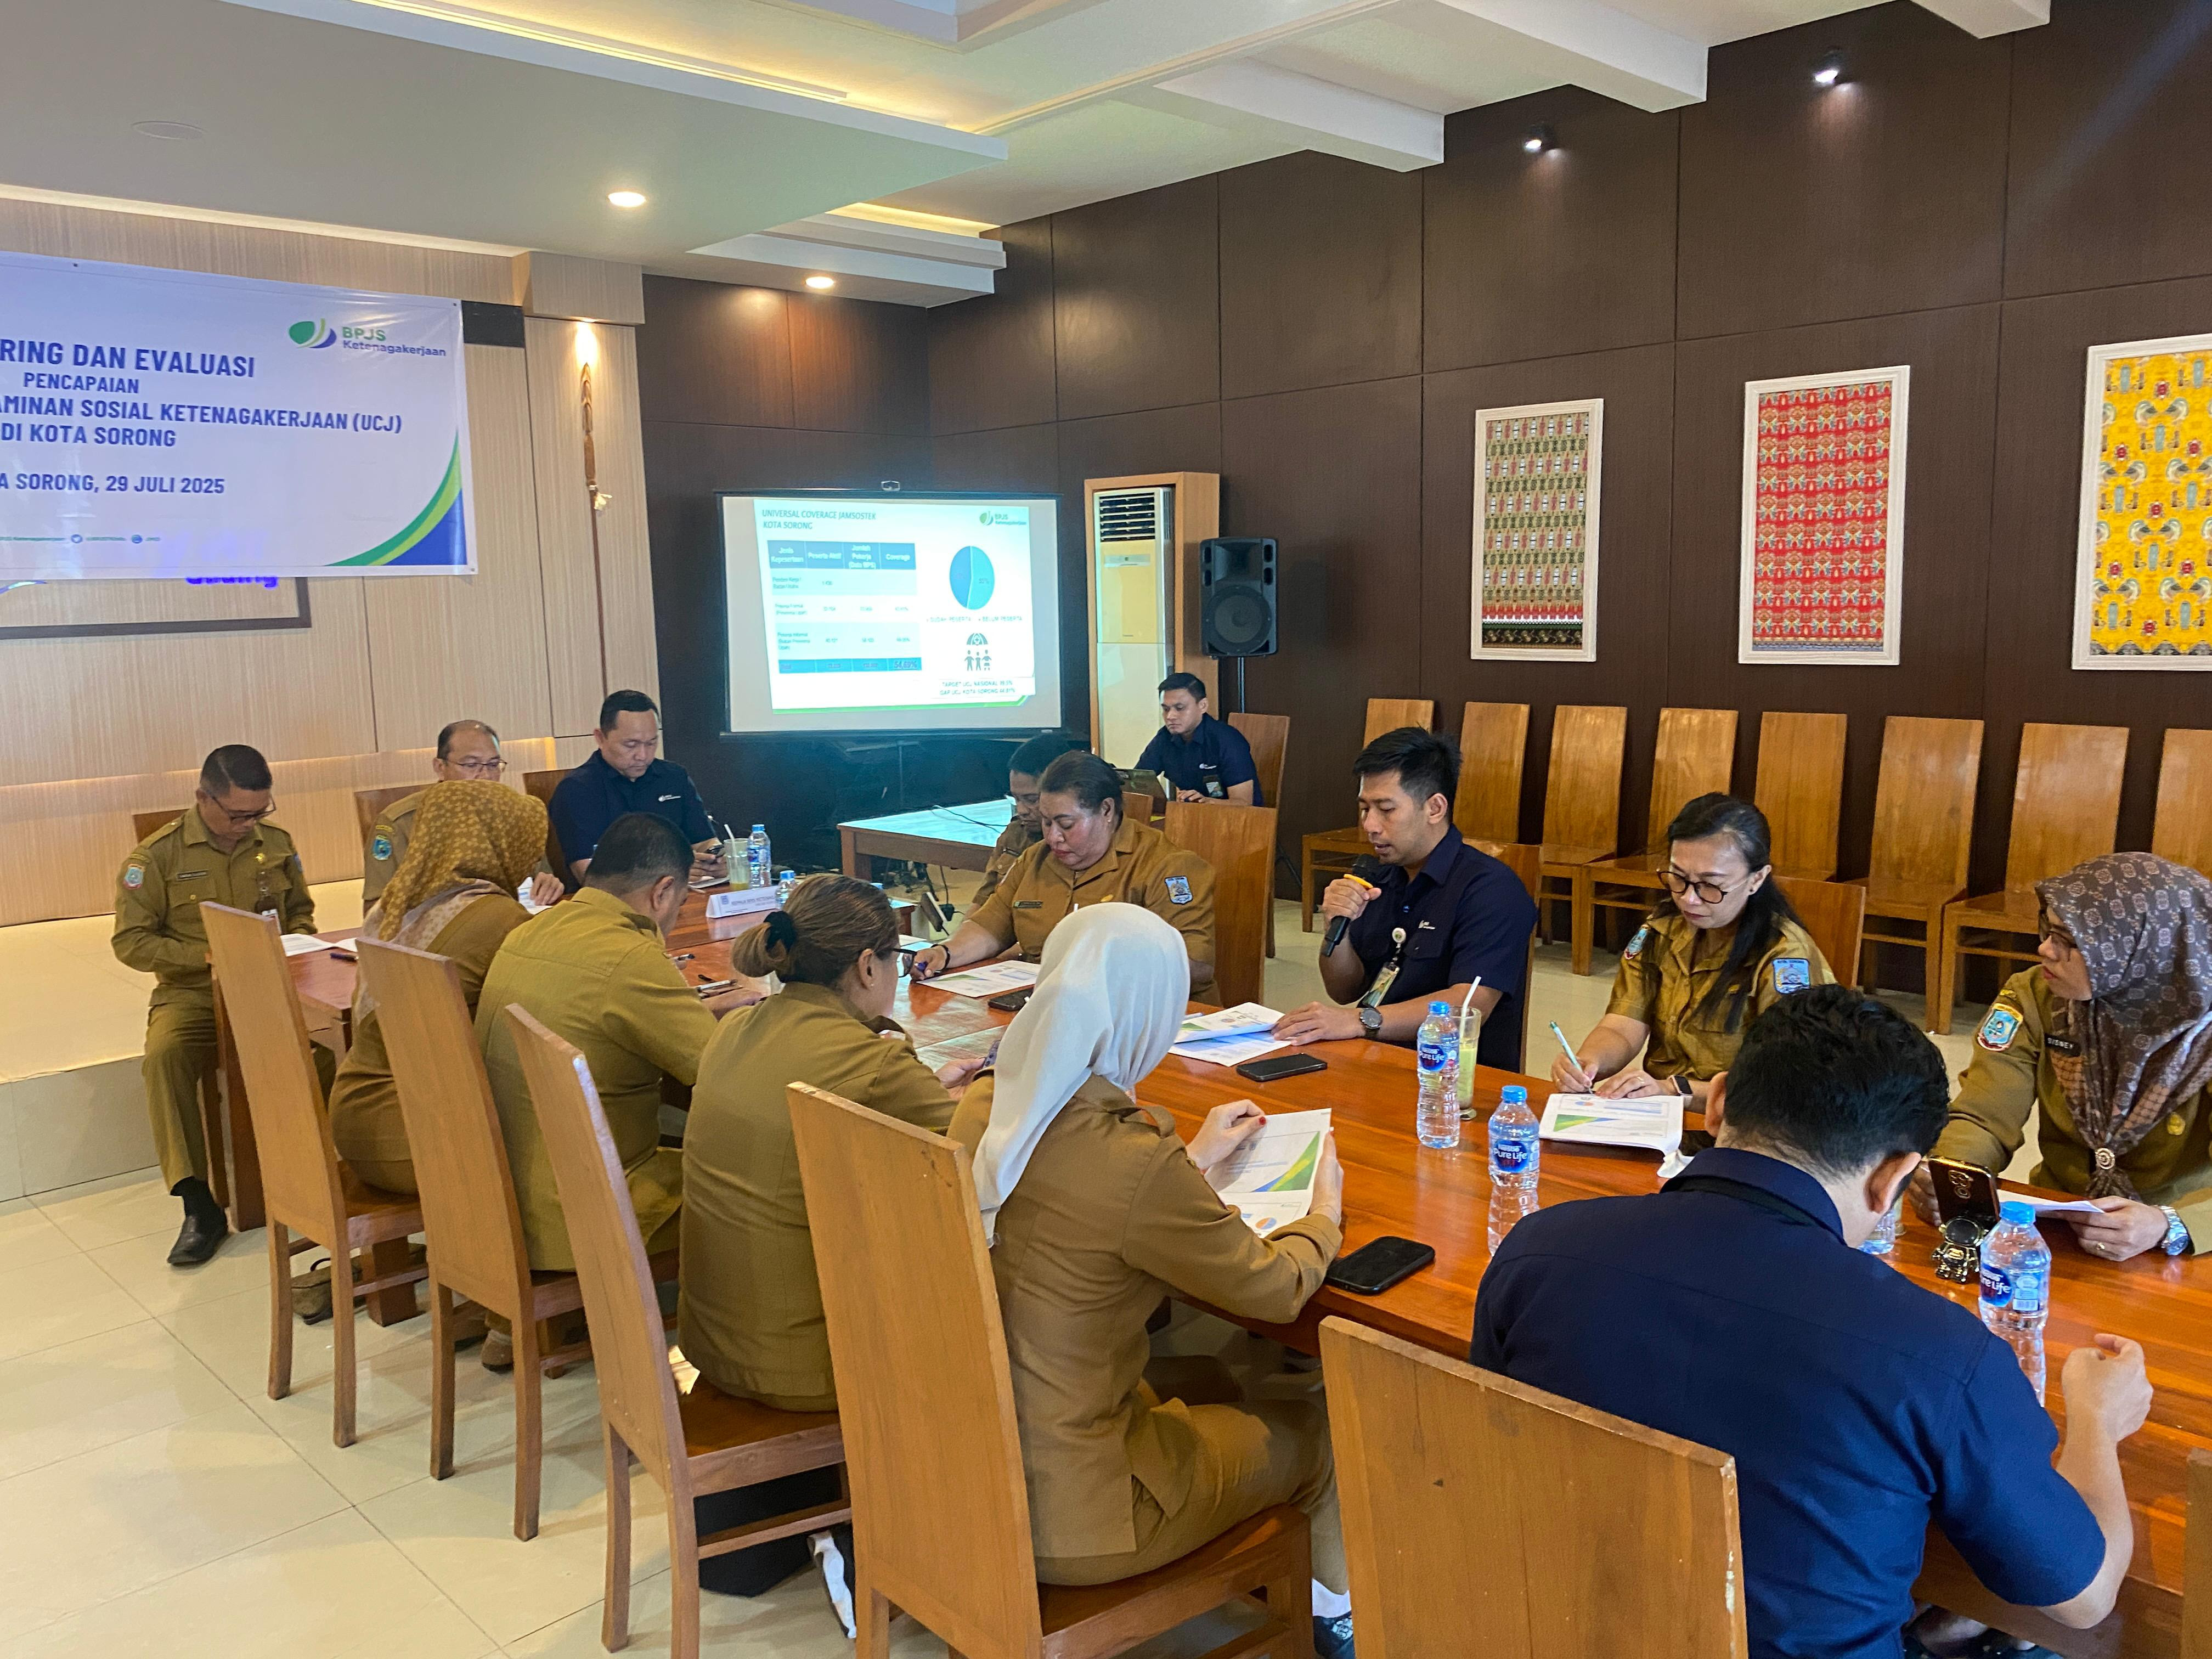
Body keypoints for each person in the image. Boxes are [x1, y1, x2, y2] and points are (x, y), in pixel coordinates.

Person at [1472, 985, 2153, 1659]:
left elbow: (1491, 1455)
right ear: (1893, 1179)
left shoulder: (1537, 1250)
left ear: (1718, 1103)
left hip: (1549, 1630)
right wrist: (2098, 1419)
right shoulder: (1937, 1353)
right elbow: (2085, 1597)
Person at [948, 906, 1357, 1658]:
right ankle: (1339, 1623)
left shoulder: (986, 1105)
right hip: (1084, 1514)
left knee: (1214, 1377)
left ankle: (1270, 1560)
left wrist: (1189, 1162)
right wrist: (1324, 1213)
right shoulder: (1133, 1159)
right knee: (1317, 1431)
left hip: (973, 1472)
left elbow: (1071, 1204)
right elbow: (1276, 1290)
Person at [682, 874, 989, 1622]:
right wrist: (975, 1090)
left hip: (713, 1335)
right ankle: (947, 1537)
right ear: (867, 965)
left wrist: (916, 1078)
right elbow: (980, 1163)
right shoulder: (872, 1062)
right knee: (983, 1295)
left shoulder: (737, 1029)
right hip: (805, 1361)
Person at [477, 812, 758, 1279]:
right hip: (593, 1215)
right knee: (775, 1185)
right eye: (680, 903)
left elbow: (601, 1012)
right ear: (662, 891)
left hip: (508, 1201)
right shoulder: (631, 957)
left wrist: (688, 1010)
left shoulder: (530, 931)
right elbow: (729, 1080)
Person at [1916, 852, 2212, 1262]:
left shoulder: (2203, 1029)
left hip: (2180, 1243)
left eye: (2070, 941)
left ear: (2143, 951)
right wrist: (1954, 1174)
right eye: (2048, 930)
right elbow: (1985, 1115)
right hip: (2058, 1222)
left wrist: (2170, 1224)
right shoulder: (2035, 996)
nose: (2045, 949)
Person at [115, 744, 319, 1267]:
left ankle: (315, 1178)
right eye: (237, 815)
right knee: (165, 1059)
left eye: (258, 813)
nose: (248, 825)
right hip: (195, 993)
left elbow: (301, 912)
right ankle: (198, 1205)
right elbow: (131, 942)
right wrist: (207, 957)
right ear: (203, 797)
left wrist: (296, 943)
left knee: (330, 1046)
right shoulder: (156, 858)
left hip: (267, 987)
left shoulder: (276, 843)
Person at [1273, 726, 1537, 1071]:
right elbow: (1343, 990)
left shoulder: (1492, 889)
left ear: (1435, 808)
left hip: (1453, 1077)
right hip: (1372, 1059)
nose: (1370, 825)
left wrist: (1360, 1021)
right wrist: (1338, 928)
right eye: (1364, 809)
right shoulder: (1379, 876)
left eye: (1386, 809)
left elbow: (1468, 1006)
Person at [328, 781, 547, 1195]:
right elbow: (544, 1017)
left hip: (358, 1116)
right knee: (577, 1140)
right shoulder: (499, 918)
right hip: (422, 1134)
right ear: (498, 842)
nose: (531, 859)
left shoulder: (398, 905)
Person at [1550, 793, 1830, 1105]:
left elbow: (1786, 1086)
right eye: (1679, 878)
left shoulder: (1784, 956)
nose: (1689, 899)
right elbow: (1623, 1026)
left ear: (1757, 879)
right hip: (1662, 1111)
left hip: (1739, 1122)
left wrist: (1675, 1090)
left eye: (1710, 885)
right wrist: (1588, 1063)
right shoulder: (1662, 929)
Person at [912, 750, 1218, 996]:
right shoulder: (1036, 859)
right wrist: (945, 953)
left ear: (1107, 811)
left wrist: (1107, 966)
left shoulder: (1166, 866)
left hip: (1143, 1016)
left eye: (1066, 824)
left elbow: (1196, 964)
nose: (1053, 837)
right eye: (1047, 822)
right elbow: (990, 927)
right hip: (1048, 1004)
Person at [360, 719, 562, 909]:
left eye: (493, 765)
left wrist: (548, 884)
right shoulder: (400, 823)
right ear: (440, 768)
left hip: (515, 922)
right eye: (471, 765)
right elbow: (375, 911)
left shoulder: (518, 814)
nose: (486, 776)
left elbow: (539, 878)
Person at [546, 689, 723, 885]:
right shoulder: (577, 790)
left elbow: (704, 840)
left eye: (651, 743)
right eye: (631, 745)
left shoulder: (674, 777)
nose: (643, 756)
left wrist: (716, 858)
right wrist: (673, 871)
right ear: (600, 738)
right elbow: (590, 875)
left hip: (682, 894)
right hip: (611, 902)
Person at [973, 729, 1086, 910]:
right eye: (1016, 799)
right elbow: (982, 903)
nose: (1022, 810)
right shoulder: (1015, 835)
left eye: (1032, 800)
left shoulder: (1080, 844)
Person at [1133, 673, 1260, 804]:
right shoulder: (1164, 738)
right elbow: (1136, 782)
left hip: (1232, 815)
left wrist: (1206, 803)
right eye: (1166, 709)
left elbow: (1244, 803)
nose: (1170, 716)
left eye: (1180, 708)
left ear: (1203, 706)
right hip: (1188, 812)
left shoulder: (1228, 740)